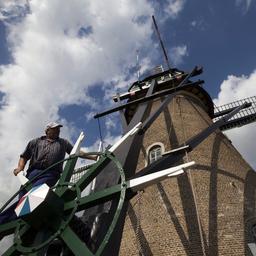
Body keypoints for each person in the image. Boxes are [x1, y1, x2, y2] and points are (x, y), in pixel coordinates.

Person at [0, 121, 97, 225]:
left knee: (31, 198)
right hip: (32, 173)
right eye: (55, 129)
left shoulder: (63, 143)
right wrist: (20, 168)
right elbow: (24, 156)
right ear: (47, 131)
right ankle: (14, 224)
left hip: (51, 173)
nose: (58, 131)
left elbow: (77, 152)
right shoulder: (35, 142)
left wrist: (93, 157)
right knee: (23, 201)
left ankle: (2, 221)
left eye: (58, 129)